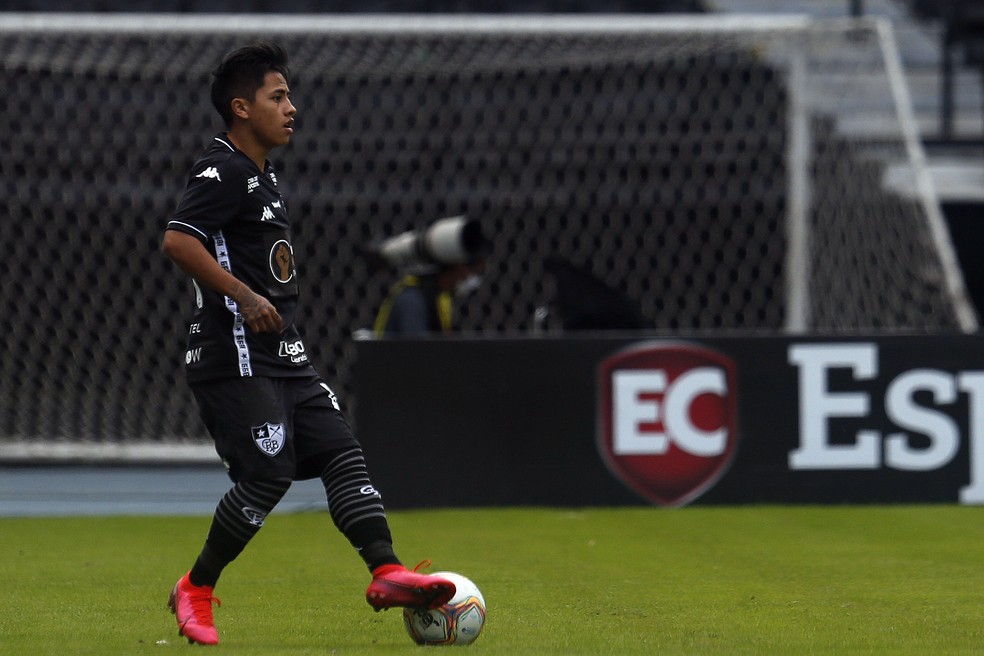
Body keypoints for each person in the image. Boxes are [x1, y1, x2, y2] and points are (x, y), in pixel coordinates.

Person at [161, 43, 454, 646]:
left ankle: (386, 570)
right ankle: (196, 585)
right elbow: (178, 242)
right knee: (269, 475)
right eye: (278, 97)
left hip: (281, 350)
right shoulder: (222, 170)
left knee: (341, 450)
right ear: (241, 108)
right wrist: (244, 296)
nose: (292, 108)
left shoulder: (265, 176)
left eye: (290, 95)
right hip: (234, 352)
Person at [373, 259, 485, 336]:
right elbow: (420, 356)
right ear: (458, 268)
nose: (471, 278)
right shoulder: (412, 301)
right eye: (471, 271)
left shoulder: (440, 298)